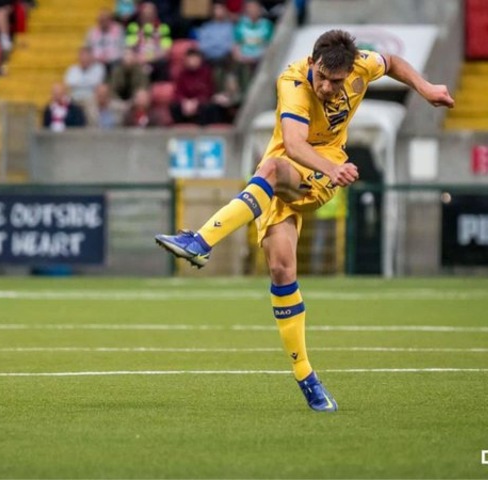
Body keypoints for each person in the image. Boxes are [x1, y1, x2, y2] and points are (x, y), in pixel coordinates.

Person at [155, 29, 454, 412]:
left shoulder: (362, 65)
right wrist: (333, 169)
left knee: (271, 167)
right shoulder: (293, 81)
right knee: (282, 271)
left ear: (350, 71)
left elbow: (392, 62)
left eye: (336, 81)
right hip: (287, 174)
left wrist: (425, 88)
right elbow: (294, 144)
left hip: (316, 171)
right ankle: (308, 380)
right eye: (323, 77)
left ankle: (200, 242)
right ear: (312, 62)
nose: (328, 87)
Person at [232, 0, 273, 92]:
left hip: (262, 60)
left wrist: (260, 58)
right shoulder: (240, 25)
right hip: (244, 60)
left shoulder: (267, 25)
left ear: (259, 9)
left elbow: (270, 46)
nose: (252, 10)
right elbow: (236, 46)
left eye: (255, 7)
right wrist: (242, 58)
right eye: (250, 7)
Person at [86, 9, 125, 74]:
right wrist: (95, 58)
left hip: (114, 62)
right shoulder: (92, 32)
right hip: (96, 62)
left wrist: (109, 58)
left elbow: (123, 49)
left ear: (110, 20)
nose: (102, 22)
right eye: (100, 20)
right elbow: (87, 50)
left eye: (105, 20)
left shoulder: (118, 30)